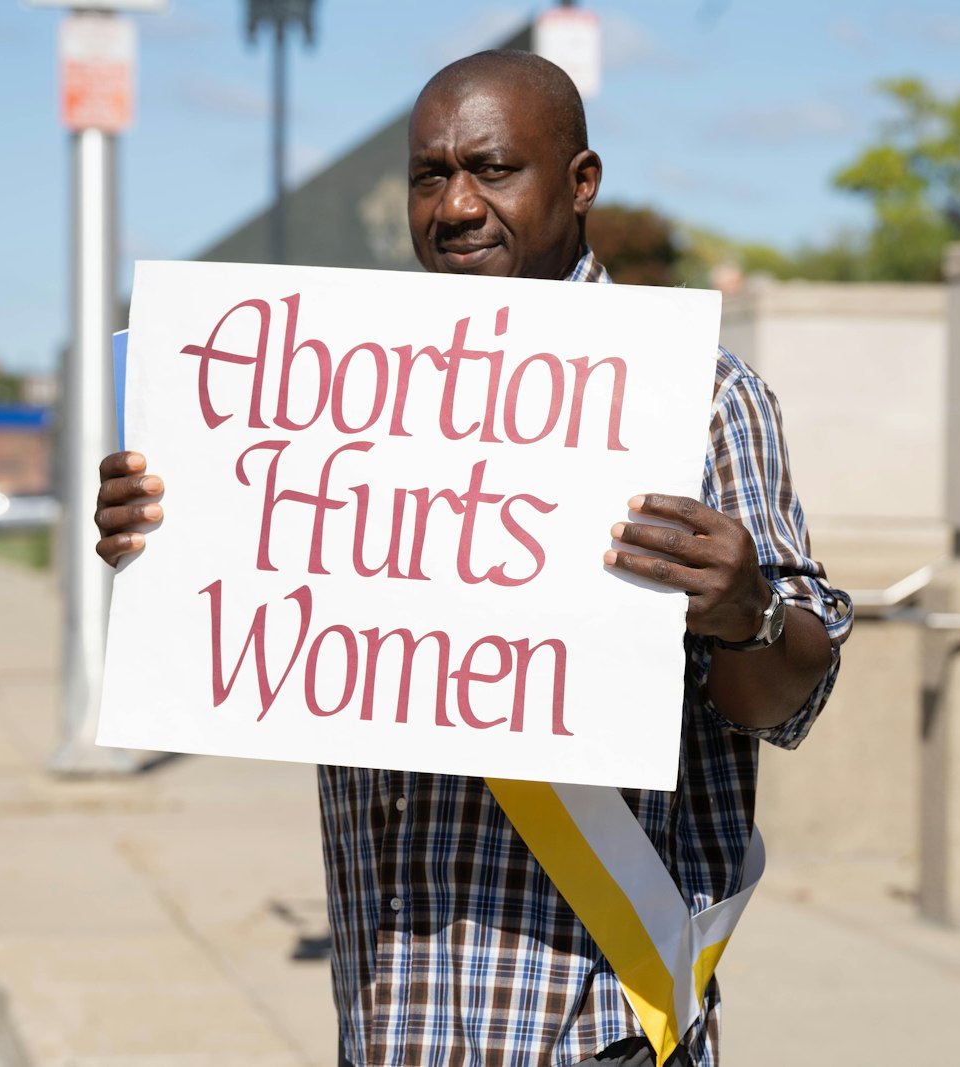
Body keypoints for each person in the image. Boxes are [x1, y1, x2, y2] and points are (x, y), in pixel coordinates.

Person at [95, 51, 851, 1067]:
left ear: (580, 182)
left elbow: (789, 694)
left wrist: (744, 608)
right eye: (427, 174)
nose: (454, 205)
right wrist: (164, 534)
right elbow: (242, 631)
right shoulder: (333, 398)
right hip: (385, 1016)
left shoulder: (700, 398)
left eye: (492, 169)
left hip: (592, 1027)